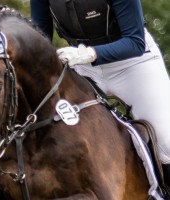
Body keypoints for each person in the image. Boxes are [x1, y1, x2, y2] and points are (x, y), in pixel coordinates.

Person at [31, 0, 170, 195]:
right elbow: (40, 41)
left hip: (133, 64)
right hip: (83, 67)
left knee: (166, 140)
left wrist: (89, 54)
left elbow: (135, 41)